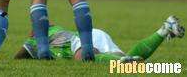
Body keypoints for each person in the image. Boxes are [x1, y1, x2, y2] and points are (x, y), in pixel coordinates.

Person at [15, 16, 185, 61]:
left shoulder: (43, 36)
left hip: (82, 40)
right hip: (96, 34)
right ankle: (163, 31)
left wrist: (30, 42)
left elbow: (19, 56)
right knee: (128, 60)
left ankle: (120, 62)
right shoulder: (52, 31)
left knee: (82, 57)